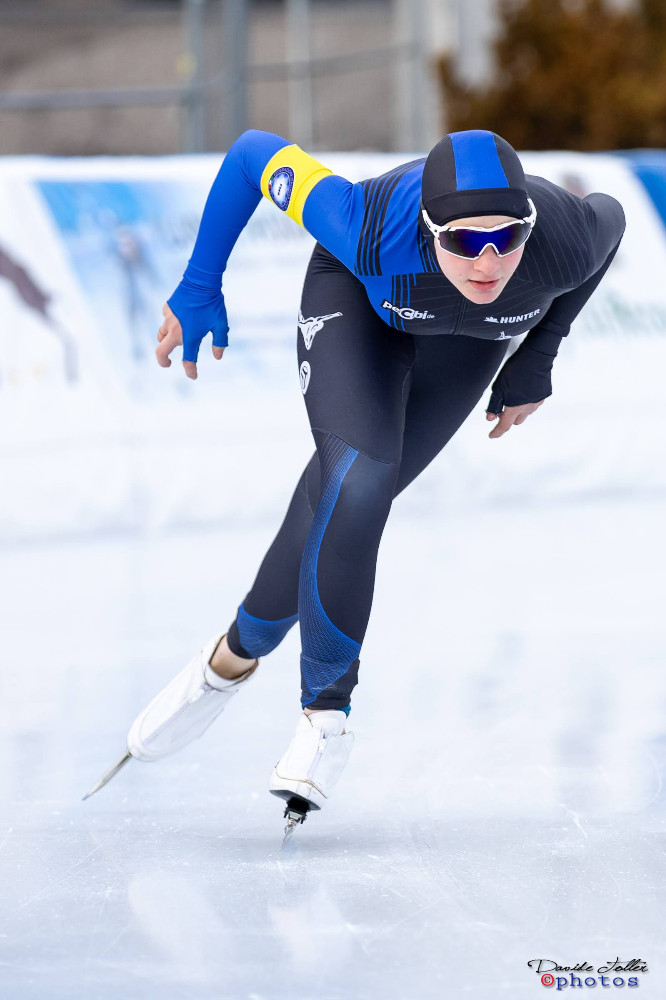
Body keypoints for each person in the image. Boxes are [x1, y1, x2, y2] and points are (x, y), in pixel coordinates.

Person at [92, 129, 625, 827]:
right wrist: (199, 284)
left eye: (508, 237)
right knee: (360, 479)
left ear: (529, 222)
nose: (488, 260)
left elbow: (611, 220)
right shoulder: (363, 225)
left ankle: (229, 659)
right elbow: (253, 153)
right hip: (358, 300)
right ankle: (326, 717)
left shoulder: (566, 238)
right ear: (430, 227)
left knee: (346, 496)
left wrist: (540, 353)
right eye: (465, 240)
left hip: (472, 338)